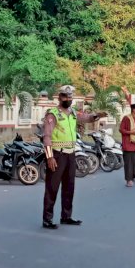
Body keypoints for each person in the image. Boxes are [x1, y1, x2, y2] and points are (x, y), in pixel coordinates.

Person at [41, 85, 107, 229]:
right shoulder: (53, 114)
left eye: (70, 97)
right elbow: (46, 137)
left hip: (71, 154)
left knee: (69, 187)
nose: (68, 99)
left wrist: (97, 115)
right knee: (52, 187)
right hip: (57, 154)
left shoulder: (72, 113)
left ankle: (66, 216)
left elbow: (87, 118)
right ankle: (47, 219)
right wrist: (50, 157)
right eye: (66, 96)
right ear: (60, 98)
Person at [120, 103, 135, 187]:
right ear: (134, 110)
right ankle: (128, 180)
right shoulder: (126, 118)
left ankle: (133, 176)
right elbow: (121, 129)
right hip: (128, 145)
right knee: (128, 163)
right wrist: (130, 132)